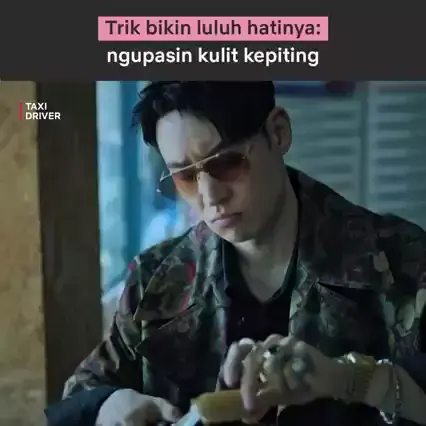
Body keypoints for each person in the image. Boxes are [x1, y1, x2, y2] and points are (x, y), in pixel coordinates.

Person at [45, 82, 426, 426]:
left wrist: (348, 379)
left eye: (227, 162)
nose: (210, 196)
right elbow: (81, 396)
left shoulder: (400, 261)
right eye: (186, 176)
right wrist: (109, 405)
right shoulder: (156, 279)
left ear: (278, 132)